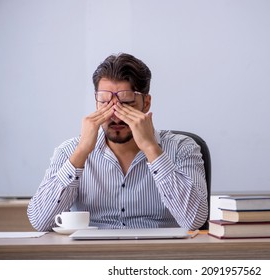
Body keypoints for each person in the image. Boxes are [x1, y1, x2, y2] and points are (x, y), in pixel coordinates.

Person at [27, 53, 208, 231]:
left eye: (126, 103)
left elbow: (195, 221)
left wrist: (151, 148)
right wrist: (81, 151)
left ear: (146, 103)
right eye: (105, 103)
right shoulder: (69, 151)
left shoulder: (182, 148)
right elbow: (40, 222)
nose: (114, 115)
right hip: (92, 255)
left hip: (157, 255)